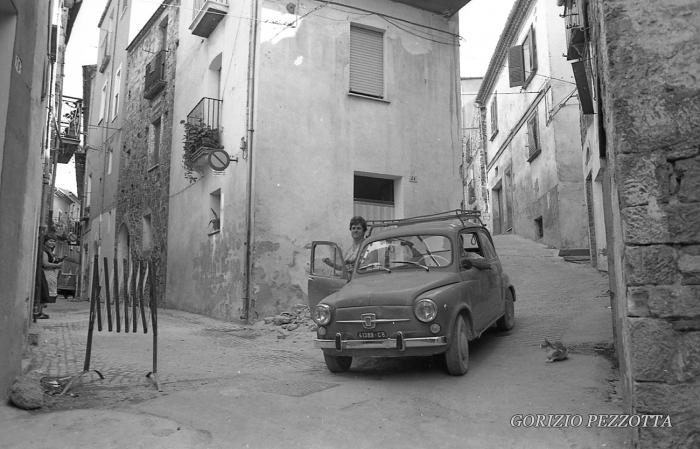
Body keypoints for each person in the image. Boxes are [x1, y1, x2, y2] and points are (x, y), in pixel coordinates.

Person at [38, 234, 63, 319]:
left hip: (49, 274)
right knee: (44, 292)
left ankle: (40, 311)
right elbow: (45, 264)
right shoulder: (44, 251)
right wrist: (57, 265)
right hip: (45, 274)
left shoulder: (48, 250)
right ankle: (38, 312)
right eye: (50, 241)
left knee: (46, 293)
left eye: (54, 241)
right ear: (45, 241)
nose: (52, 243)